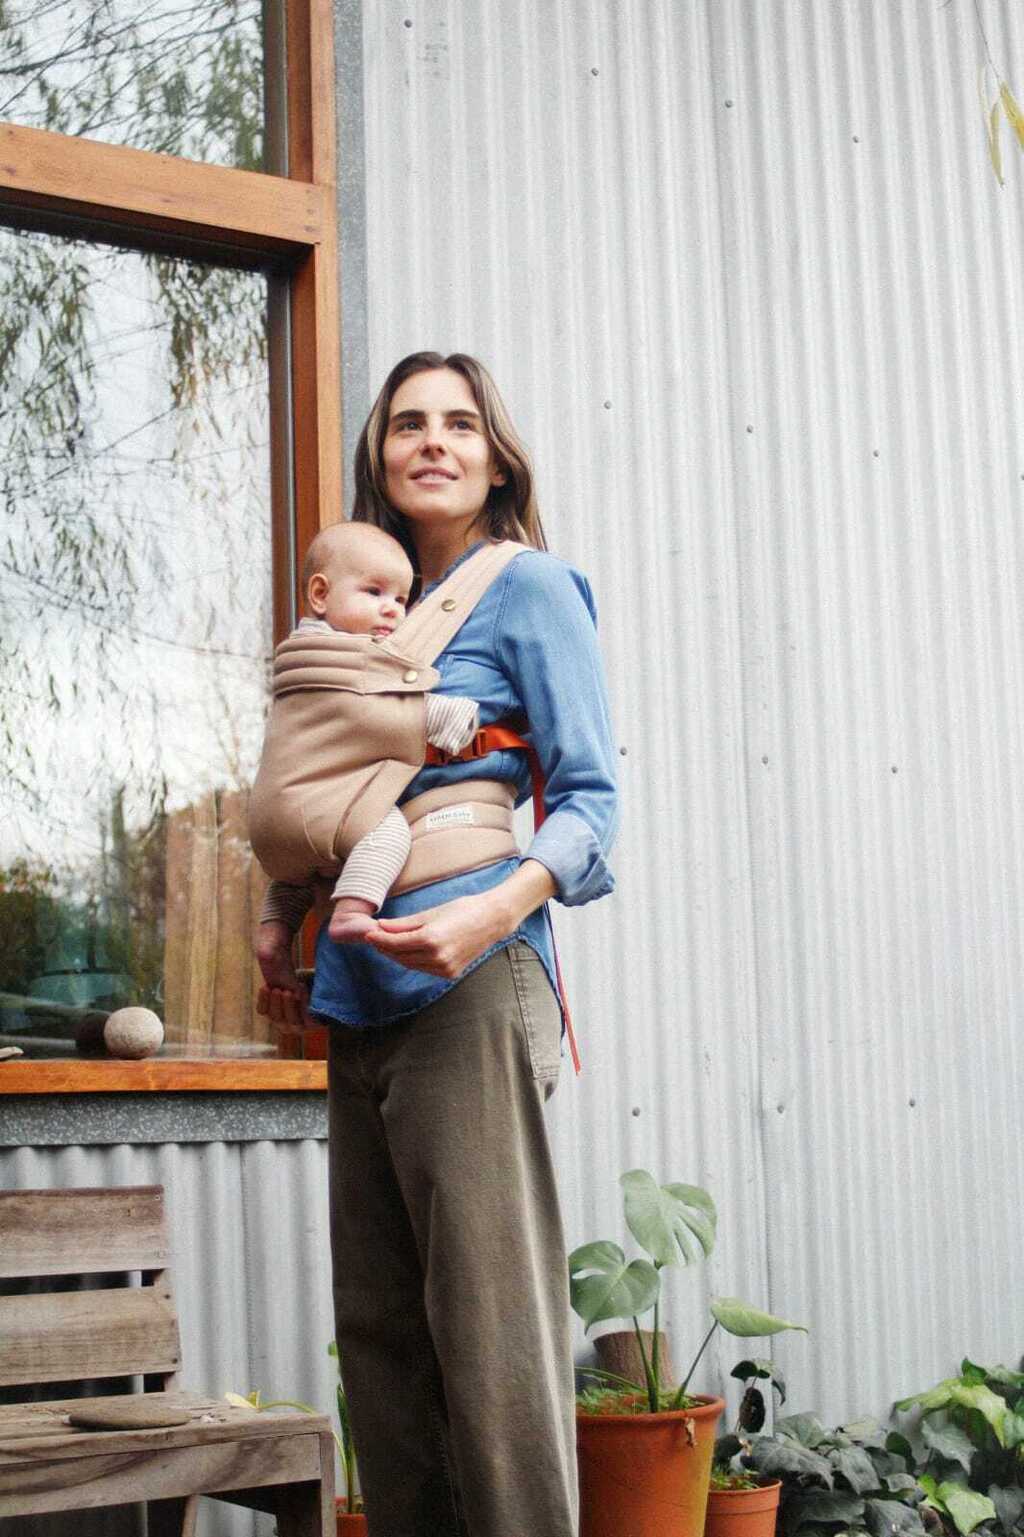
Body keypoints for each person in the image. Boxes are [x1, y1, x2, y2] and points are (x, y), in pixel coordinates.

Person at [255, 351, 618, 1537]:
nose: (432, 440)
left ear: (495, 458)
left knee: (492, 1339)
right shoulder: (355, 614)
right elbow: (311, 779)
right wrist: (283, 916)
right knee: (382, 1344)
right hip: (356, 990)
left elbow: (592, 806)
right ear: (381, 454)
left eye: (459, 423)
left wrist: (490, 911)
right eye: (408, 422)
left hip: (470, 981)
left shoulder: (531, 590)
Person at [252, 519, 481, 945]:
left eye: (401, 598)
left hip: (273, 823)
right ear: (320, 595)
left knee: (296, 878)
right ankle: (351, 912)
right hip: (325, 812)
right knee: (387, 832)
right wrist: (449, 715)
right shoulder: (349, 657)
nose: (392, 609)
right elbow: (371, 710)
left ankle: (273, 932)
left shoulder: (299, 655)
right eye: (374, 592)